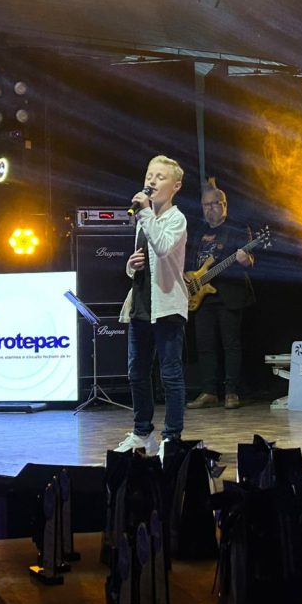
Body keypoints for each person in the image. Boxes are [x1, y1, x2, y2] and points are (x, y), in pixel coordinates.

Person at [114, 155, 188, 455]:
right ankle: (142, 433)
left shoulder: (176, 219)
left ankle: (172, 438)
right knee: (137, 374)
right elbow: (145, 263)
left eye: (160, 177)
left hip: (167, 308)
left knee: (170, 375)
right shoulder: (143, 219)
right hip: (141, 307)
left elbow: (163, 247)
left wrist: (145, 212)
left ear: (176, 186)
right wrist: (131, 266)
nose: (152, 181)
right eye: (149, 175)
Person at [185, 178, 254, 410]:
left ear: (224, 205)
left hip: (229, 295)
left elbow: (249, 262)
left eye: (214, 204)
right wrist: (188, 278)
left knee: (230, 345)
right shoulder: (199, 231)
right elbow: (190, 261)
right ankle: (209, 391)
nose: (210, 209)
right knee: (205, 346)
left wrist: (245, 259)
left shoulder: (237, 228)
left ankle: (231, 392)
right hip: (201, 295)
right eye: (206, 205)